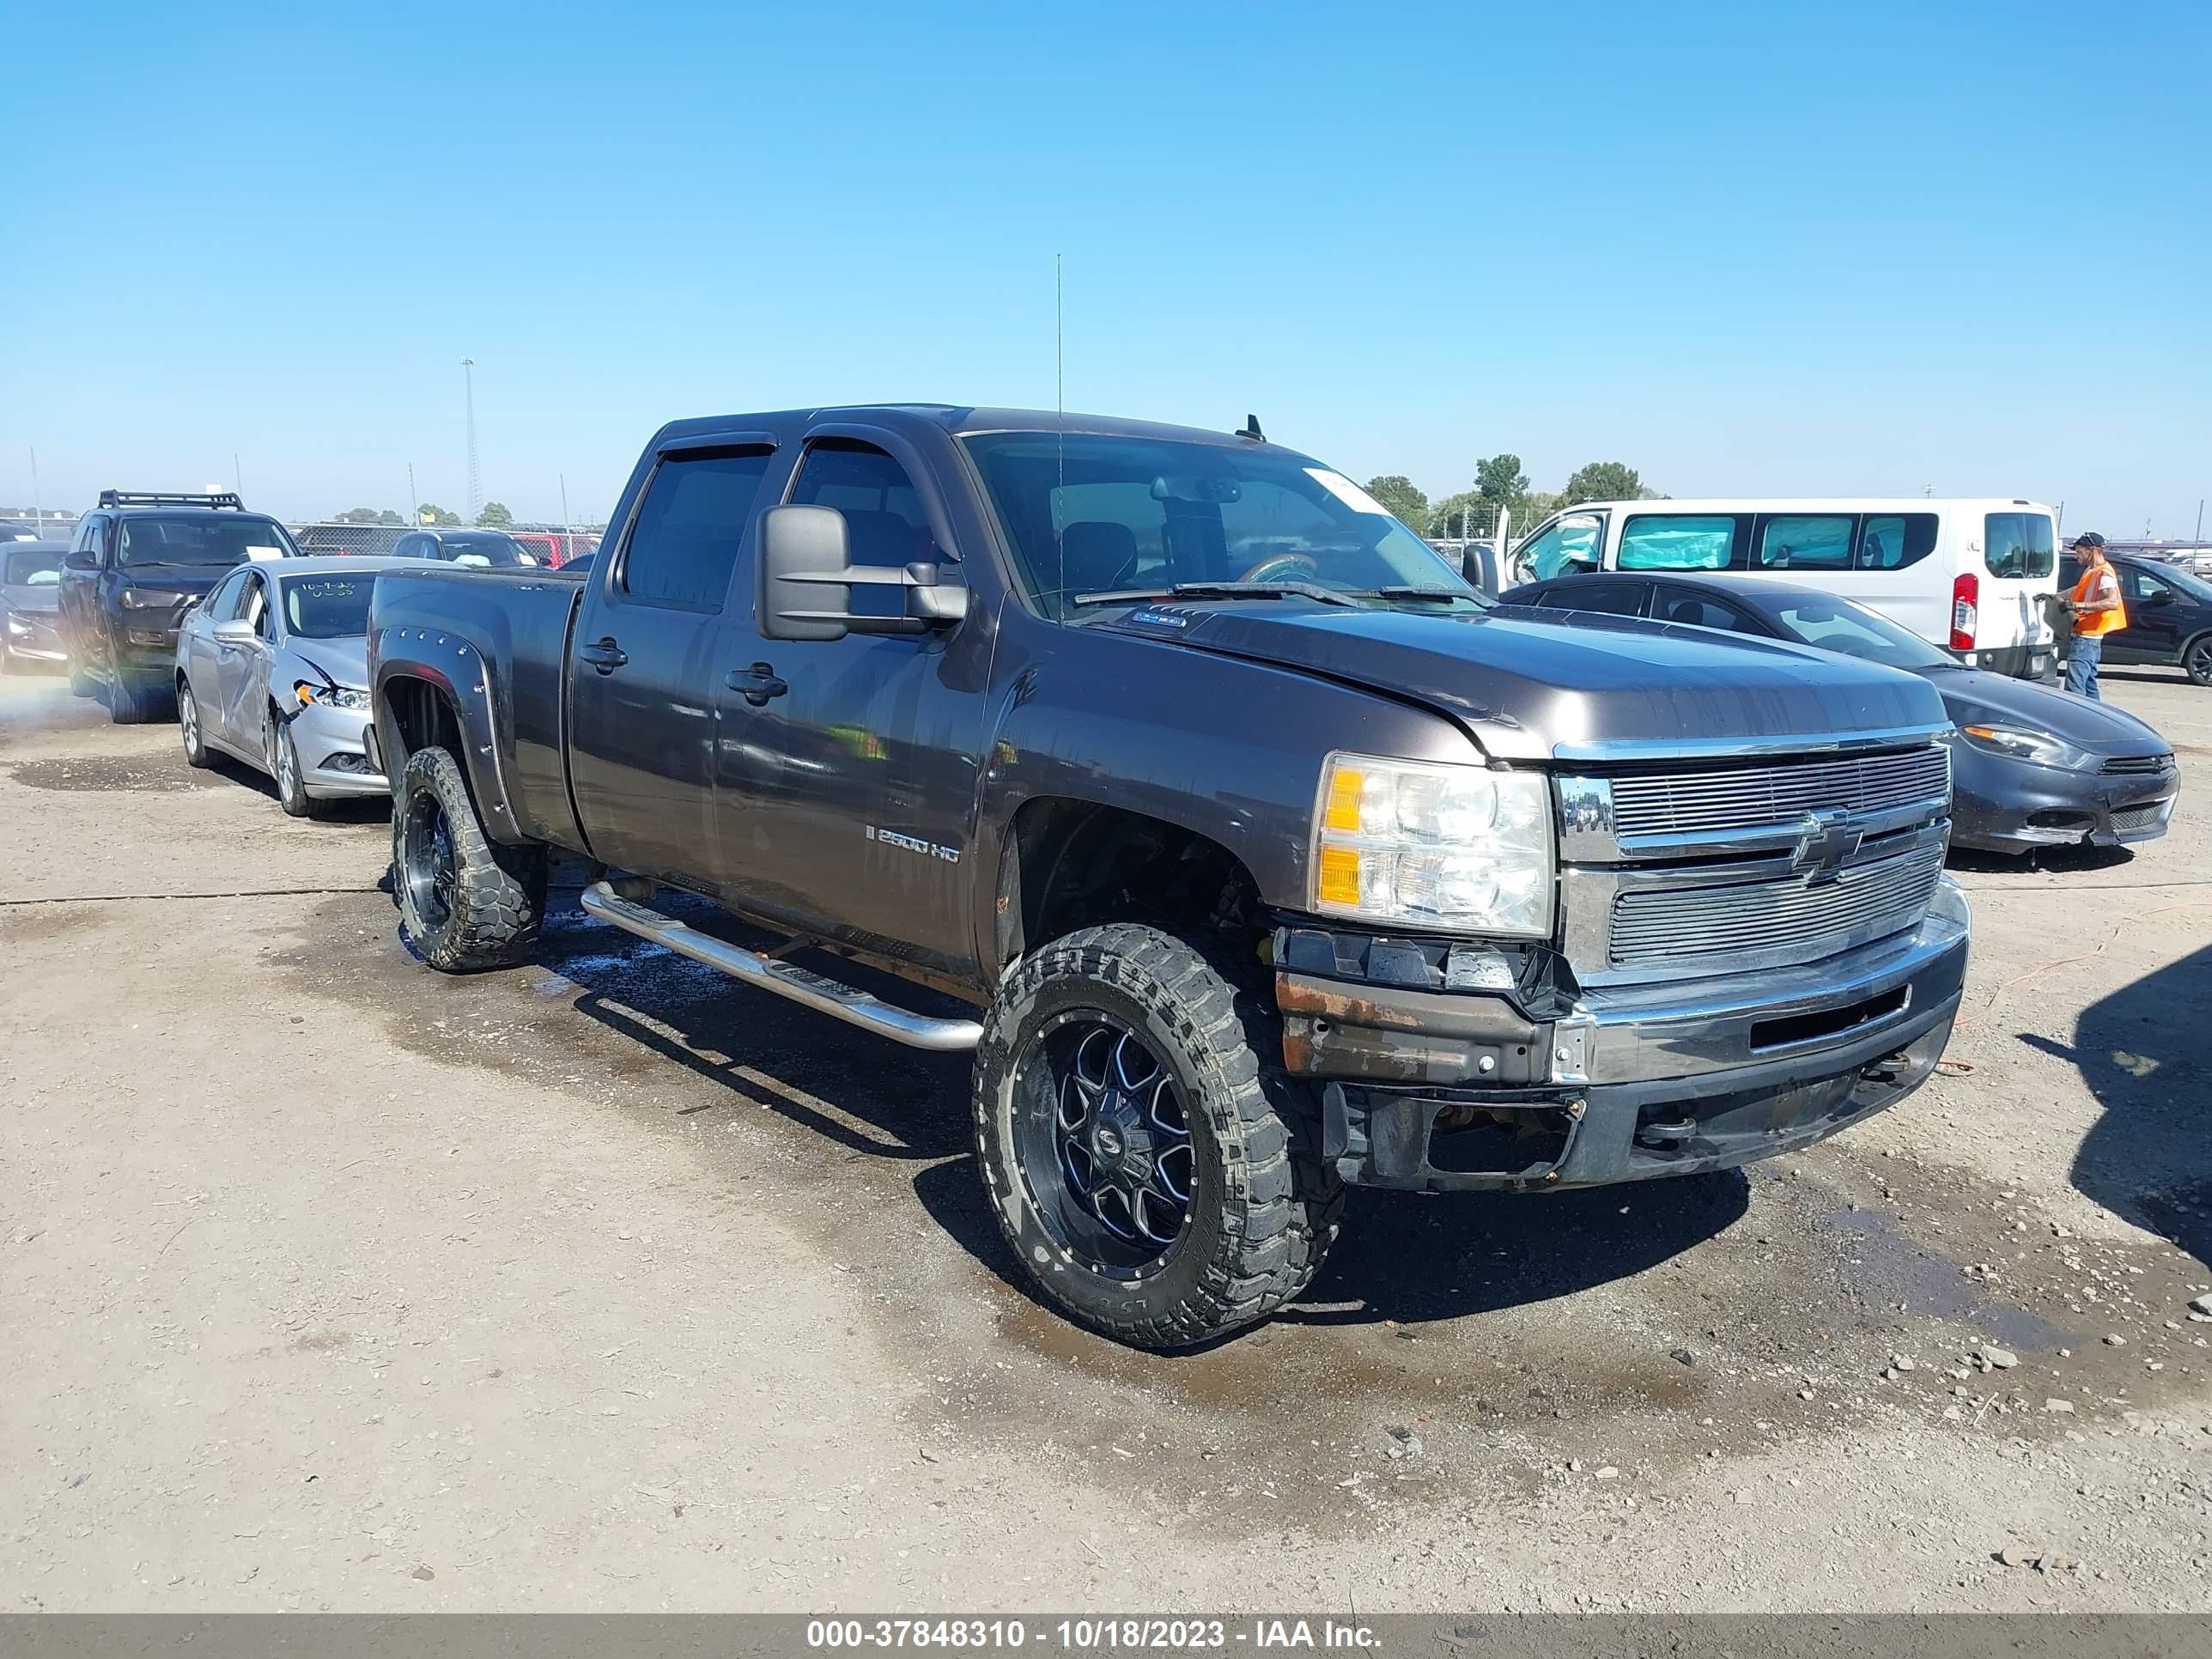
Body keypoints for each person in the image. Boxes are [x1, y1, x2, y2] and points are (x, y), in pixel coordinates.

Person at [2063, 532, 2124, 700]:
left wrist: (2079, 605)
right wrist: (2057, 596)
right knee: (2089, 685)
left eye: (2079, 551)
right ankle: (2096, 718)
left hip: (2087, 638)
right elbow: (2079, 589)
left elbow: (2113, 602)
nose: (2077, 556)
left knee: (2075, 687)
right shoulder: (2092, 571)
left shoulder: (2104, 574)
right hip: (2090, 638)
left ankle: (2075, 721)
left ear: (2092, 550)